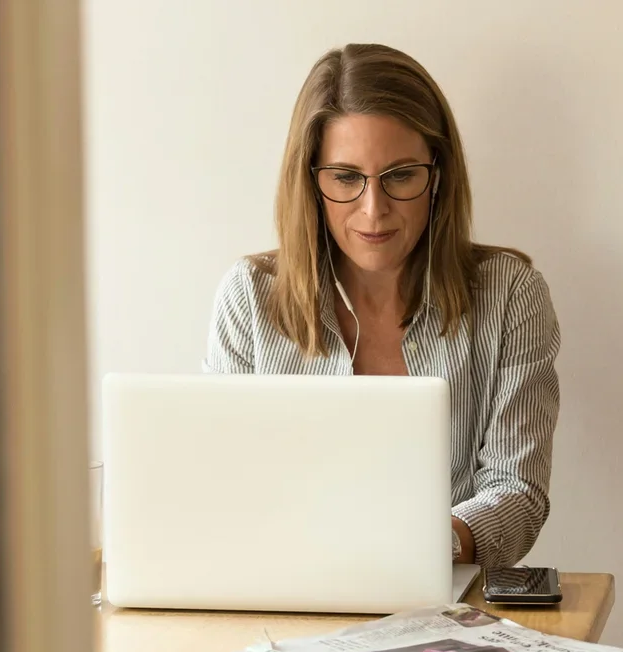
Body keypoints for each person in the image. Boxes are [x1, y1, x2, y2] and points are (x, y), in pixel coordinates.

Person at [202, 43, 561, 569]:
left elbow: (518, 492)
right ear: (311, 181)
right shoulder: (249, 297)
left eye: (400, 175)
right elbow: (222, 487)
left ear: (437, 175)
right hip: (283, 591)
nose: (374, 210)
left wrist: (422, 548)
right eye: (346, 178)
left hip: (444, 598)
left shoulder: (509, 294)